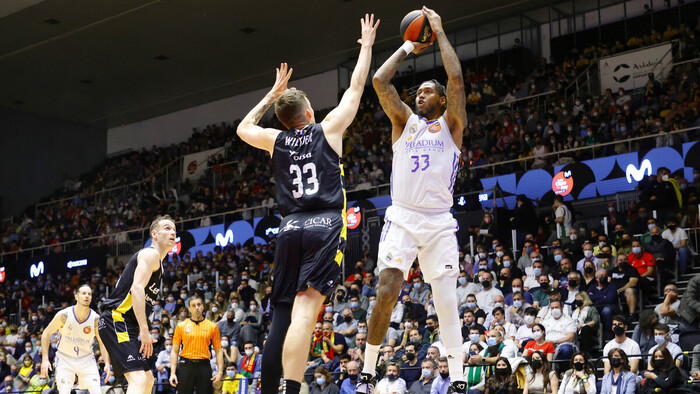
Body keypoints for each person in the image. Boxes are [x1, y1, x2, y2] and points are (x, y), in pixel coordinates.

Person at [235, 15, 380, 394]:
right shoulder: (328, 128)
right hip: (326, 224)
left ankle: (270, 390)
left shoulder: (275, 140)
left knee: (280, 316)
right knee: (305, 312)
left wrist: (271, 93)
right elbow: (357, 86)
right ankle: (293, 389)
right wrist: (365, 45)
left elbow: (242, 128)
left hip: (289, 229)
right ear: (310, 114)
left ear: (284, 120)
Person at [358, 7, 468, 394]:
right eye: (417, 92)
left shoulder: (452, 126)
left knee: (446, 301)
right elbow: (379, 80)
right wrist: (408, 45)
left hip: (439, 221)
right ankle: (368, 371)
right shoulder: (404, 123)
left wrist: (437, 31)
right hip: (403, 217)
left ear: (441, 98)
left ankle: (456, 380)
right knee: (387, 290)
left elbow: (456, 77)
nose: (419, 95)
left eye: (427, 92)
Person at [98, 215, 176, 394]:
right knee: (139, 380)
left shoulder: (159, 264)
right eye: (167, 228)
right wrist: (144, 330)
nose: (172, 232)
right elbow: (137, 288)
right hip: (117, 319)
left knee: (148, 380)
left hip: (126, 323)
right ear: (154, 234)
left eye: (174, 230)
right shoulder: (151, 254)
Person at [39, 284, 109, 394]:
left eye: (89, 294)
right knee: (64, 391)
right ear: (76, 297)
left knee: (97, 391)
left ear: (91, 298)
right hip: (64, 359)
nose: (87, 296)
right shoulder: (64, 315)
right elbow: (46, 334)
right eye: (83, 293)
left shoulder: (95, 318)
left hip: (86, 359)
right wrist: (45, 359)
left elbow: (102, 342)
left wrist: (107, 363)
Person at [169, 295, 223, 394]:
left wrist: (220, 372)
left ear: (203, 307)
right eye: (193, 305)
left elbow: (219, 350)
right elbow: (174, 350)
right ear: (189, 308)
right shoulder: (181, 326)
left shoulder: (212, 326)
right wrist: (172, 373)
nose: (197, 307)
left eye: (199, 305)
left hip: (204, 366)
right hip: (186, 366)